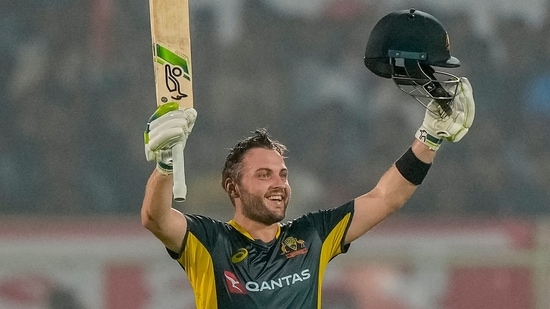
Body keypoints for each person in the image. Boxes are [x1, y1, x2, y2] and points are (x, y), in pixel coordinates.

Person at [141, 9, 475, 309]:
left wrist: (429, 138)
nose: (278, 184)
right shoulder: (211, 242)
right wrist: (165, 165)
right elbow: (156, 217)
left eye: (282, 175)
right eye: (263, 175)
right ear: (233, 187)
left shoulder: (311, 235)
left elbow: (386, 198)